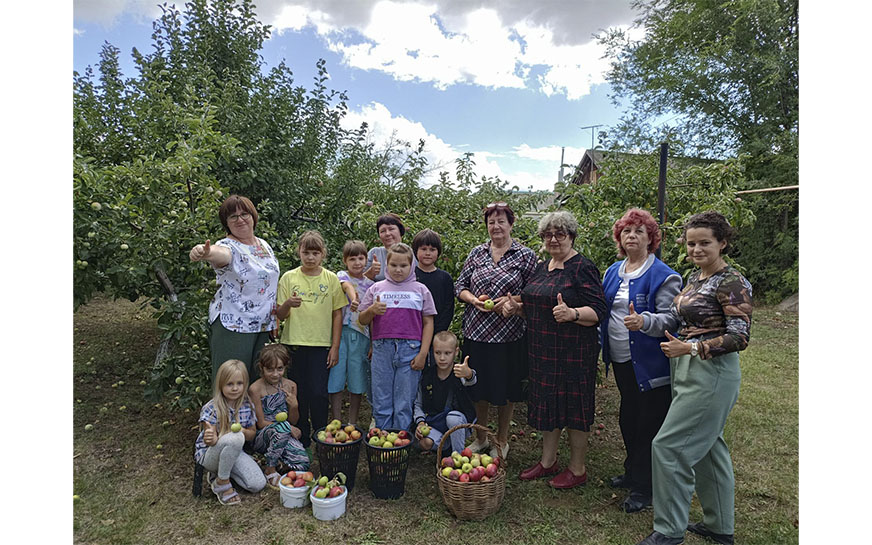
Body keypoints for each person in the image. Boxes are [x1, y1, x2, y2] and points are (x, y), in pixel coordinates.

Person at [636, 211, 752, 545]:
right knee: (709, 447)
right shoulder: (695, 277)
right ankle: (720, 527)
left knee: (669, 446)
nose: (696, 249)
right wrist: (644, 322)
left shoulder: (732, 282)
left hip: (712, 372)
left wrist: (691, 347)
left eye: (705, 243)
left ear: (722, 243)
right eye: (691, 243)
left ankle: (669, 531)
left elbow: (739, 337)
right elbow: (675, 317)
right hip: (687, 369)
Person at [504, 211, 606, 489]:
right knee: (548, 405)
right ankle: (548, 462)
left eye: (560, 233)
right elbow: (536, 307)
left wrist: (572, 313)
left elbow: (599, 310)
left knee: (574, 408)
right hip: (542, 350)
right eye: (547, 234)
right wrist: (518, 309)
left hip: (573, 352)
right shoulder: (542, 267)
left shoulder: (582, 267)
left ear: (572, 236)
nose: (553, 239)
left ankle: (578, 468)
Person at [600, 208, 682, 513]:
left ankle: (644, 488)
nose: (631, 236)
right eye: (626, 231)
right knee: (628, 417)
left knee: (649, 424)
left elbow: (673, 319)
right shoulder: (613, 271)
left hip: (650, 364)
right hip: (621, 359)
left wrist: (645, 322)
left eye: (638, 231)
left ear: (651, 238)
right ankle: (632, 471)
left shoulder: (664, 274)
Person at [455, 202, 537, 459]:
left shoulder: (525, 256)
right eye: (491, 222)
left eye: (501, 221)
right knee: (478, 386)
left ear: (511, 224)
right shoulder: (477, 253)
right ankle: (481, 437)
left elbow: (535, 292)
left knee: (507, 388)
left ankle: (501, 439)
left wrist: (514, 303)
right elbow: (460, 286)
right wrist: (473, 300)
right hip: (477, 332)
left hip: (509, 335)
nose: (496, 226)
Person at [189, 195, 279, 381]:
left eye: (244, 214)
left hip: (262, 326)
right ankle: (223, 412)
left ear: (253, 216)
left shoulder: (264, 245)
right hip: (234, 324)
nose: (240, 219)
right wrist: (204, 252)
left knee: (257, 384)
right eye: (233, 216)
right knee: (231, 384)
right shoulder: (227, 246)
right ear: (226, 223)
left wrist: (274, 315)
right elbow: (220, 254)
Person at [275, 231, 347, 448]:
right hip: (295, 344)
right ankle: (301, 436)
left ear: (323, 254)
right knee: (299, 392)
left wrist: (335, 347)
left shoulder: (331, 278)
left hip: (321, 345)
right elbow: (280, 314)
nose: (310, 257)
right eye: (306, 252)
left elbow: (337, 314)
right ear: (299, 252)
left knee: (318, 392)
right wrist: (288, 304)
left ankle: (321, 433)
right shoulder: (289, 277)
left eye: (315, 253)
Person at [359, 243, 436, 431]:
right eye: (394, 265)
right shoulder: (377, 288)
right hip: (382, 349)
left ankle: (400, 443)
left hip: (410, 350)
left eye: (403, 265)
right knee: (382, 397)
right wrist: (372, 310)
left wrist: (423, 353)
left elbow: (428, 323)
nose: (398, 270)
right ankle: (383, 440)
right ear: (387, 265)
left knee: (404, 399)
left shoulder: (421, 290)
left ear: (412, 266)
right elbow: (362, 319)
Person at [194, 359, 266, 505]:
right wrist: (211, 436)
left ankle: (220, 474)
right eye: (229, 384)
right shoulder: (212, 407)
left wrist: (242, 431)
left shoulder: (247, 405)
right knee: (235, 437)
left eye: (239, 384)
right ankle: (222, 482)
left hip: (235, 451)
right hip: (210, 455)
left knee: (257, 484)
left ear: (245, 384)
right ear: (221, 385)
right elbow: (210, 439)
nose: (235, 388)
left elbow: (252, 434)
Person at [248, 344, 310, 490]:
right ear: (261, 368)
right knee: (282, 427)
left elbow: (293, 420)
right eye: (270, 369)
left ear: (285, 367)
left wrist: (294, 406)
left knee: (304, 463)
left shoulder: (291, 386)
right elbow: (261, 423)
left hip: (285, 434)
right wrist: (288, 428)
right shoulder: (255, 389)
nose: (275, 374)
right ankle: (270, 469)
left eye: (280, 369)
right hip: (263, 437)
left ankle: (277, 462)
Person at [329, 240, 375, 426]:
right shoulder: (341, 276)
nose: (357, 262)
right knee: (336, 378)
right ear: (345, 261)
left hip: (361, 336)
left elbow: (373, 317)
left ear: (366, 260)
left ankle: (352, 423)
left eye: (361, 258)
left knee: (357, 381)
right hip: (340, 334)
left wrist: (372, 342)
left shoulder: (372, 285)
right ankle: (336, 420)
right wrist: (354, 298)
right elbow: (347, 286)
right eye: (352, 259)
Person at [412, 330, 477, 455]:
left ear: (456, 352)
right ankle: (446, 446)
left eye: (447, 353)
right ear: (433, 351)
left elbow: (472, 380)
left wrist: (468, 373)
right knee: (425, 443)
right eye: (438, 353)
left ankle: (458, 456)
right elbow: (418, 404)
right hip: (434, 423)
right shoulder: (427, 376)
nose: (442, 358)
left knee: (452, 418)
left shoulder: (459, 372)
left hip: (458, 422)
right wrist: (420, 422)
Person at [412, 229, 455, 336]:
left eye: (432, 249)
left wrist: (439, 331)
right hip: (412, 331)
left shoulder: (445, 278)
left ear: (438, 252)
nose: (428, 253)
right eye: (423, 249)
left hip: (437, 333)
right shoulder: (410, 276)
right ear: (416, 251)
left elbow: (448, 307)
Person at [364, 213, 417, 281]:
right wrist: (370, 272)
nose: (387, 234)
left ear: (400, 231)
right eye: (383, 231)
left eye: (391, 229)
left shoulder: (411, 252)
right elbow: (357, 282)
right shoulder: (374, 253)